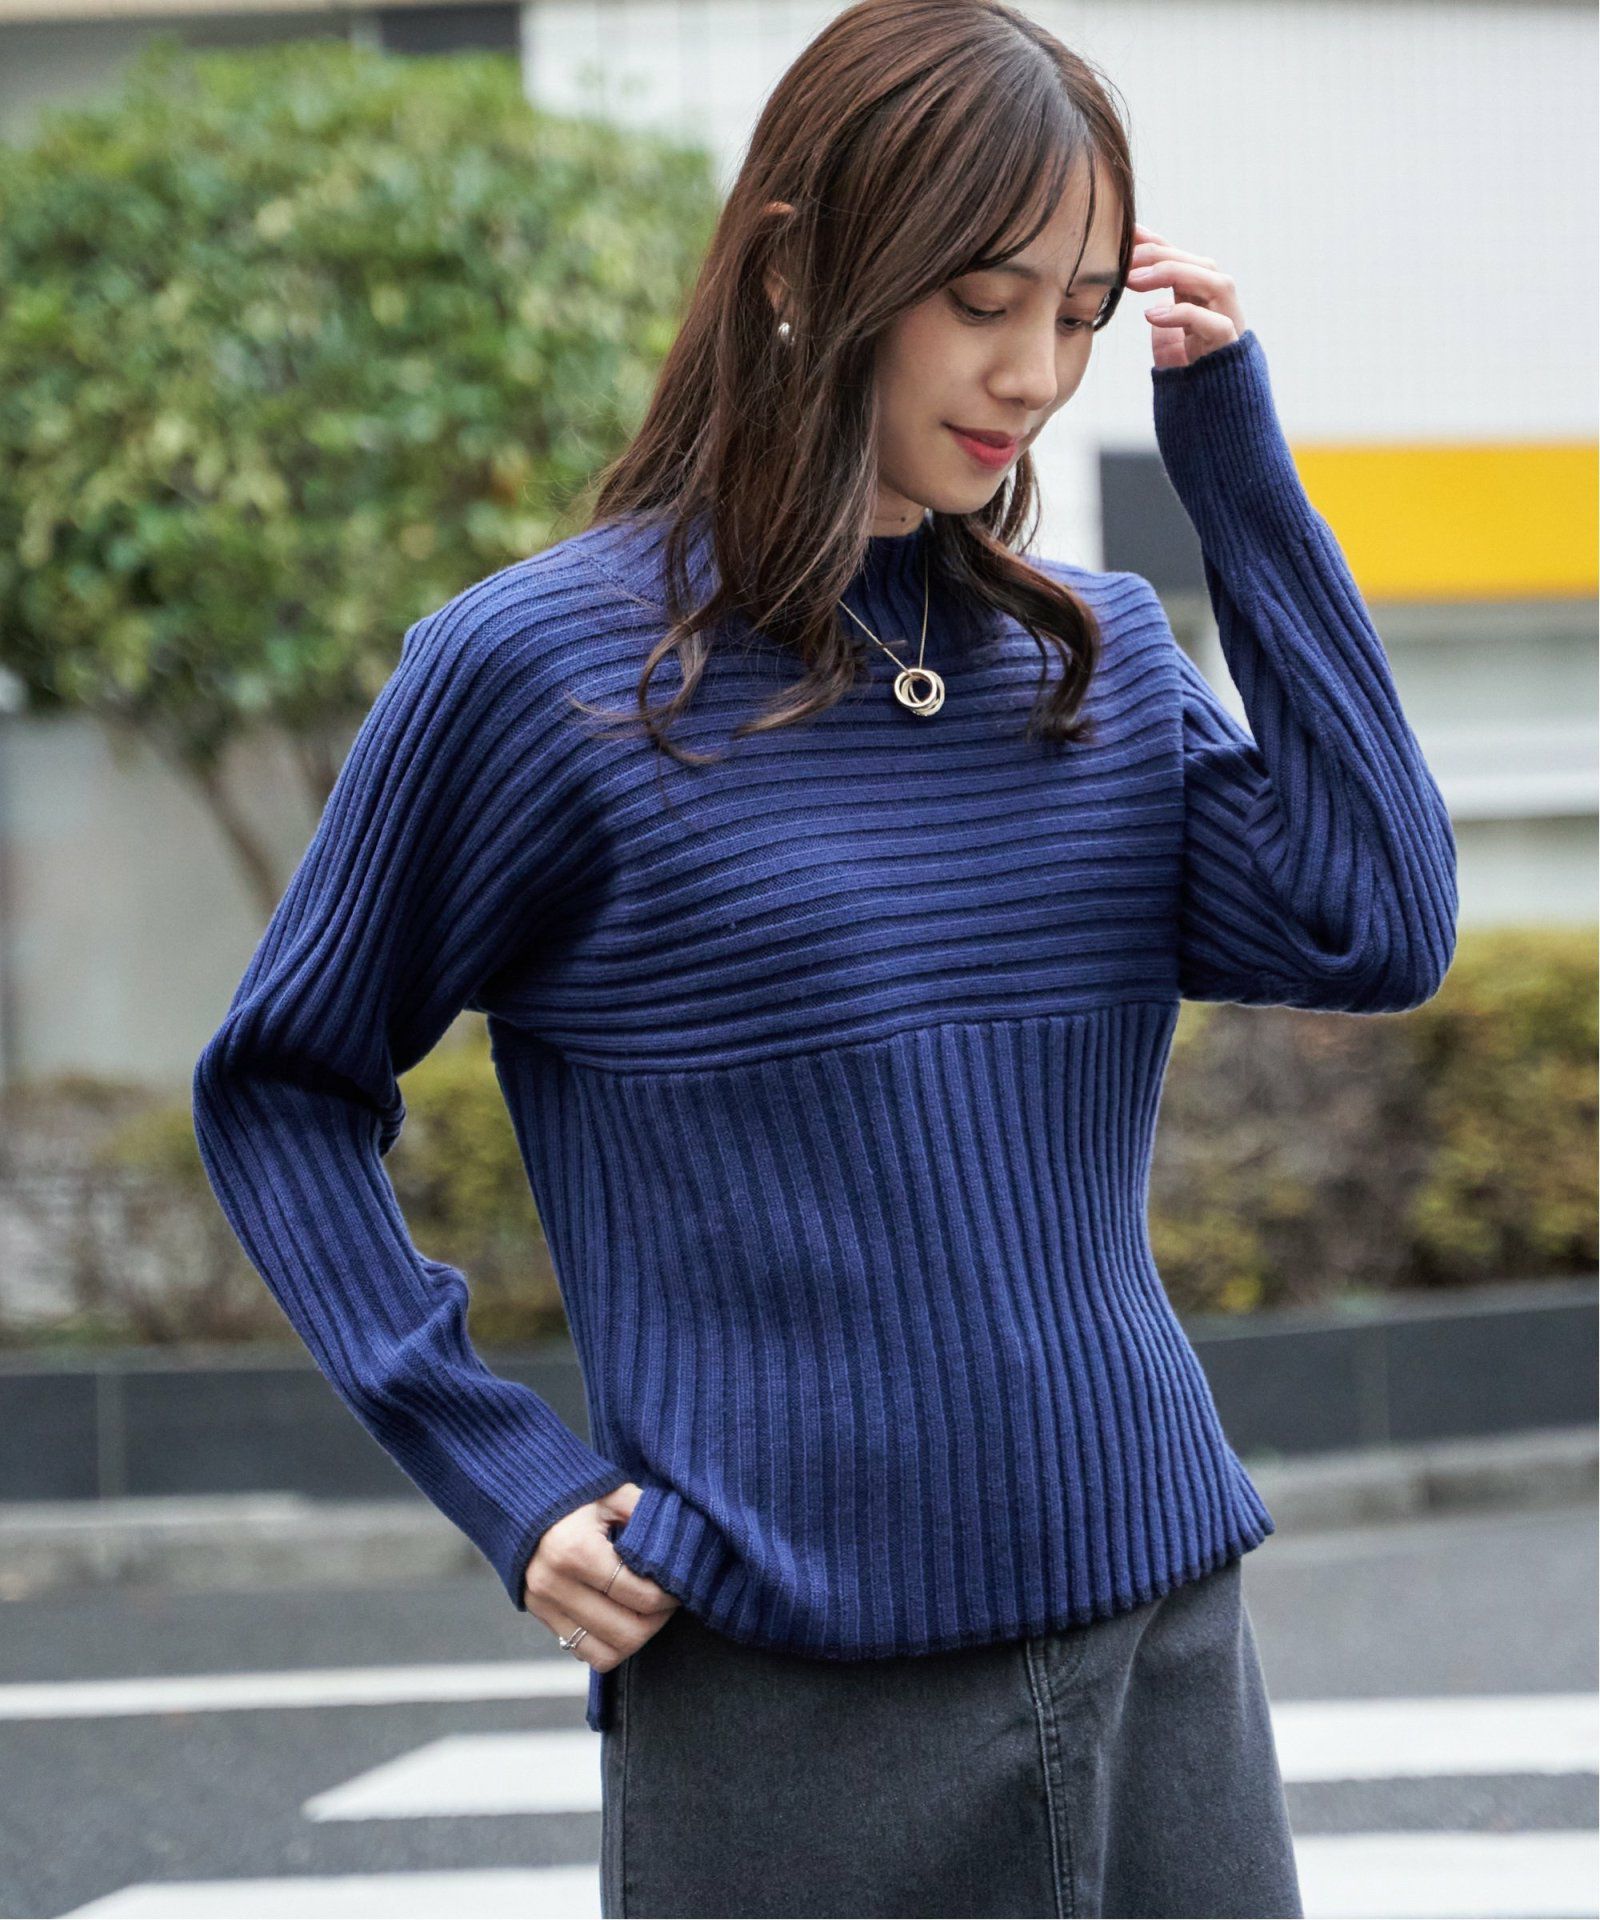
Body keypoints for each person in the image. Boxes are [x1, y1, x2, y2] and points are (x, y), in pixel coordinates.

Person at [191, 0, 1459, 1914]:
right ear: (795, 268)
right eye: (982, 299)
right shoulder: (541, 673)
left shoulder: (1090, 663)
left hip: (1159, 1635)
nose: (1035, 373)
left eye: (1080, 313)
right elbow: (284, 1087)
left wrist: (1236, 468)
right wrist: (503, 1472)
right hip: (782, 1686)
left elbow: (1379, 920)